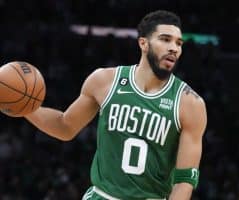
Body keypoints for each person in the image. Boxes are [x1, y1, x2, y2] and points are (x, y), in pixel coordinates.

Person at [7, 10, 207, 199]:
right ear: (143, 43)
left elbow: (184, 181)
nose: (174, 47)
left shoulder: (190, 103)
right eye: (165, 39)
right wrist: (26, 108)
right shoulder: (104, 81)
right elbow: (65, 126)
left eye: (179, 43)